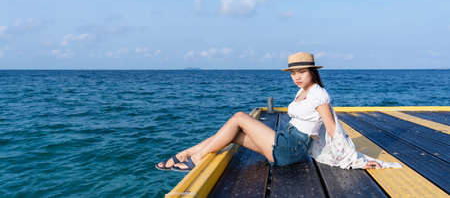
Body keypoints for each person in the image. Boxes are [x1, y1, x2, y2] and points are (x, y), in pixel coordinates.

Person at [155, 51, 383, 172]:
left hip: (291, 148)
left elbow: (333, 128)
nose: (297, 77)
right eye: (293, 73)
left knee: (239, 117)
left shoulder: (318, 95)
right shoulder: (302, 92)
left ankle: (196, 157)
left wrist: (355, 160)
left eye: (302, 72)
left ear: (313, 71)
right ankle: (187, 153)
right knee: (233, 132)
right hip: (286, 142)